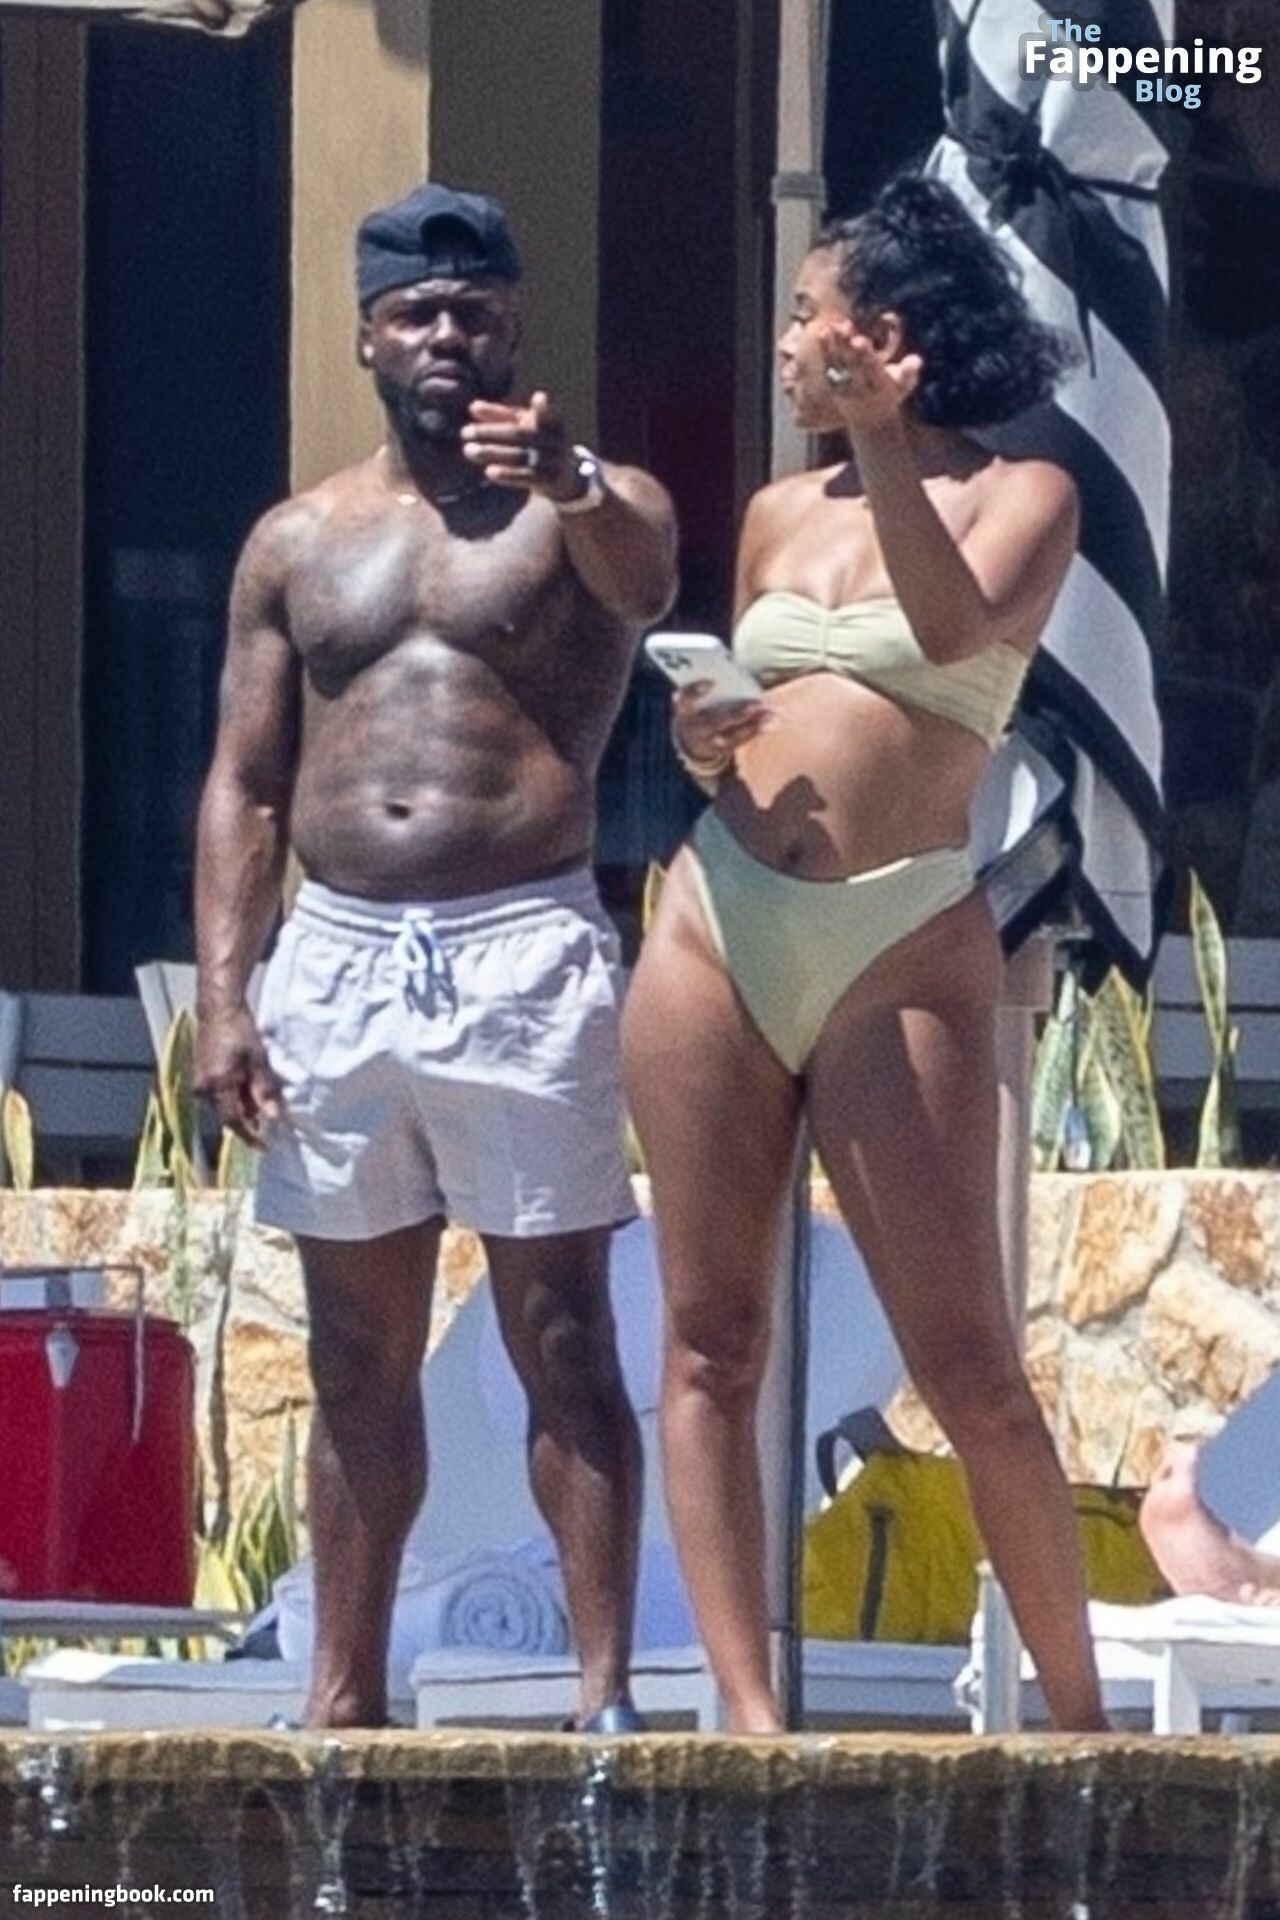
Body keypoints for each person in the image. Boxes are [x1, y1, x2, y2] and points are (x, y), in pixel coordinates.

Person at [623, 174, 1108, 1733]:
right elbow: (760, 706)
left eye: (804, 316)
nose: (782, 346)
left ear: (881, 338)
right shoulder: (779, 511)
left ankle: (1085, 1730)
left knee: (968, 1365)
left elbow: (957, 631)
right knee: (711, 1339)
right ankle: (749, 1724)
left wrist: (888, 442)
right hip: (718, 914)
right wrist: (704, 740)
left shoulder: (1029, 494)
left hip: (897, 934)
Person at [194, 182, 678, 1730]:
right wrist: (224, 995)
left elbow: (650, 580)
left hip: (517, 944)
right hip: (336, 958)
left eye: (474, 309)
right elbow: (245, 782)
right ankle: (344, 1697)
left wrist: (571, 477)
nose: (447, 336)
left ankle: (602, 1701)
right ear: (367, 337)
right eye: (417, 312)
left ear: (514, 324)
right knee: (354, 1349)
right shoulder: (297, 539)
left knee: (561, 1332)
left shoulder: (584, 508)